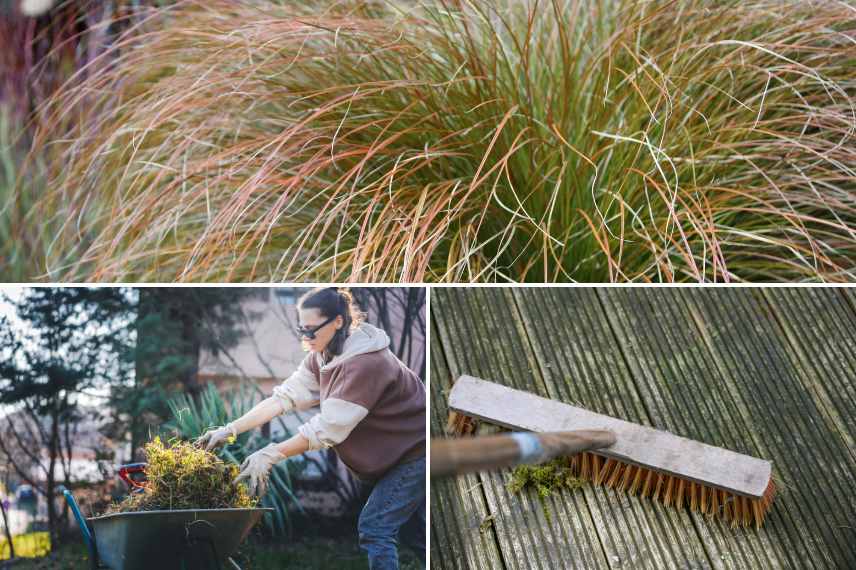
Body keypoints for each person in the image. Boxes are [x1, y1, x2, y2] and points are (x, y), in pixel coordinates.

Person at [197, 287, 426, 570]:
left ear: (338, 322)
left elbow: (328, 428)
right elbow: (283, 398)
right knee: (415, 533)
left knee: (376, 527)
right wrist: (229, 429)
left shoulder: (366, 363)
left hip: (416, 451)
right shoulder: (323, 355)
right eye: (301, 329)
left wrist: (271, 453)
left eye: (311, 330)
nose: (305, 337)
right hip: (396, 455)